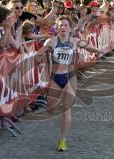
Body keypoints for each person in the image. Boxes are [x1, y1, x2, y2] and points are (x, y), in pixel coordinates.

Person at [37, 15, 103, 152]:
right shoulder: (50, 42)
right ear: (57, 27)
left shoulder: (75, 41)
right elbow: (38, 54)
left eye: (66, 25)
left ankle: (63, 140)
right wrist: (39, 58)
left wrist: (98, 51)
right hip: (56, 78)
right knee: (51, 109)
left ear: (70, 28)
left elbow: (88, 47)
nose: (63, 27)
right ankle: (58, 107)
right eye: (61, 25)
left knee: (66, 110)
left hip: (70, 77)